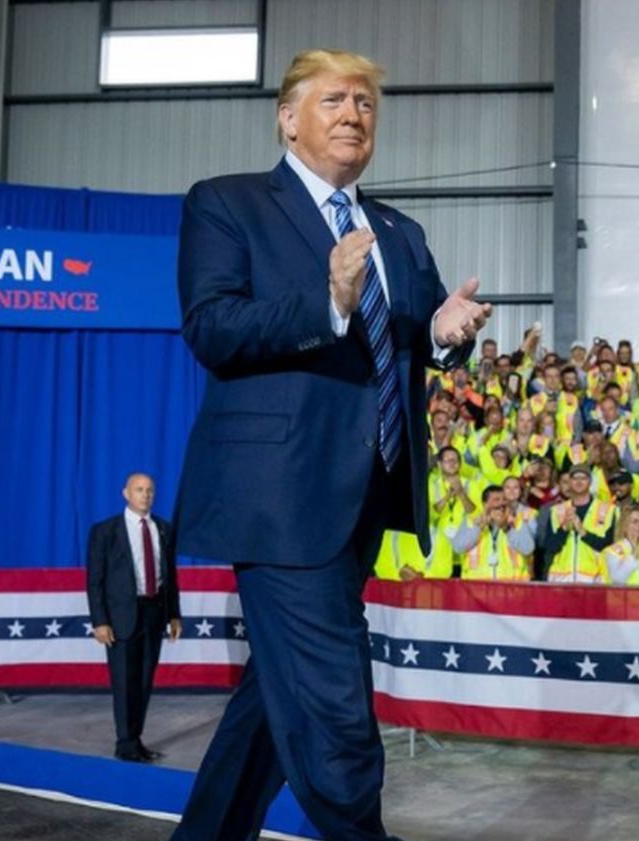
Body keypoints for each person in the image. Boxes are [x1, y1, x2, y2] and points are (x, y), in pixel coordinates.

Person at [172, 48, 490, 841]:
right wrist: (327, 302)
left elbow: (416, 335)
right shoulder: (227, 203)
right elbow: (212, 328)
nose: (354, 114)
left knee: (275, 698)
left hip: (366, 499)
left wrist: (444, 335)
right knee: (335, 706)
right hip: (278, 499)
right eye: (334, 100)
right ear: (287, 119)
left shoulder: (399, 232)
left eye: (366, 104)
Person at [86, 472, 181, 763]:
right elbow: (95, 580)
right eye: (139, 489)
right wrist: (100, 621)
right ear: (126, 493)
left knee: (143, 681)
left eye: (150, 490)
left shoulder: (163, 529)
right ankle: (125, 744)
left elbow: (170, 576)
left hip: (154, 613)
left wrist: (174, 614)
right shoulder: (105, 531)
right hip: (121, 617)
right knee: (125, 682)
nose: (145, 495)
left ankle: (136, 739)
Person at [451, 485, 535, 581]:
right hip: (477, 585)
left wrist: (507, 528)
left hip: (512, 584)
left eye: (504, 499)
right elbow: (458, 547)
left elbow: (528, 549)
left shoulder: (516, 522)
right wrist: (479, 528)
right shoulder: (472, 521)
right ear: (485, 504)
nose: (501, 503)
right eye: (496, 500)